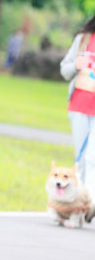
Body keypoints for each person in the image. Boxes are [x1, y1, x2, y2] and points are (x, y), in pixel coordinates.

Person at [60, 16, 95, 198]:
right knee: (80, 160)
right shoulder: (83, 39)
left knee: (92, 158)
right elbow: (64, 70)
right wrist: (75, 65)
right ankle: (79, 201)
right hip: (79, 106)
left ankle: (90, 201)